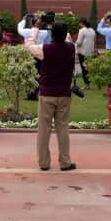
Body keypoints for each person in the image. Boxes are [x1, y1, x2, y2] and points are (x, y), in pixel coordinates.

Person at [25, 20, 77, 171]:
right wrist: (58, 25)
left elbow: (28, 46)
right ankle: (65, 161)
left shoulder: (45, 49)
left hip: (47, 93)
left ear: (52, 34)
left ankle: (44, 162)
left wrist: (35, 29)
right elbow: (67, 38)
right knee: (63, 129)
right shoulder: (70, 48)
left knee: (44, 129)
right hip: (64, 94)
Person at [75, 17, 97, 84]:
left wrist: (74, 45)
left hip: (82, 52)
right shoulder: (92, 30)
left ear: (81, 23)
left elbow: (79, 42)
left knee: (84, 69)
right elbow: (94, 41)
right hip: (90, 52)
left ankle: (86, 84)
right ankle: (89, 83)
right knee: (89, 68)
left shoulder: (82, 30)